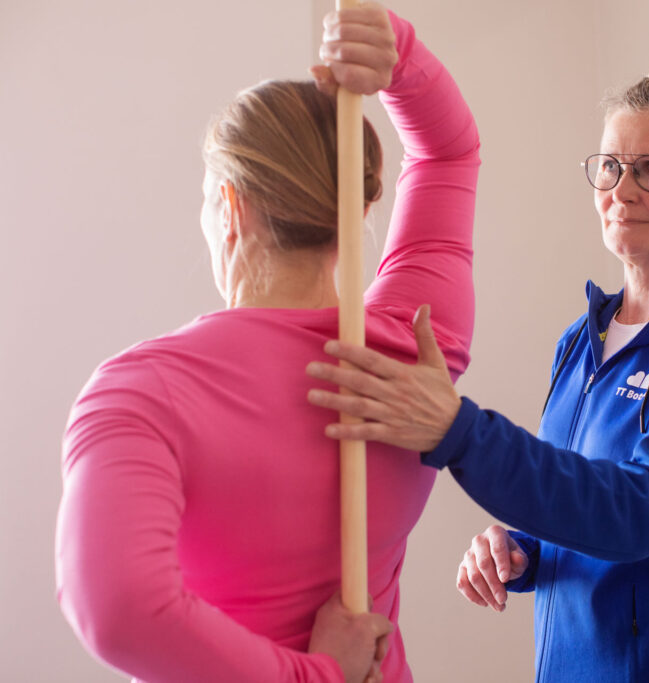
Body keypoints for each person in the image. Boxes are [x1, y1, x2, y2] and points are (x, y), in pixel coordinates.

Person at [308, 50, 649, 682]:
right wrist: (524, 549)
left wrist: (457, 432)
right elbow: (588, 499)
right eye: (610, 167)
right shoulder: (583, 338)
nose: (622, 191)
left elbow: (645, 511)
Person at [55, 6, 479, 683]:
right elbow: (447, 154)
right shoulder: (413, 349)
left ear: (231, 208)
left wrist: (316, 674)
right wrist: (396, 53)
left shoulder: (142, 391)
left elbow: (117, 612)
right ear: (356, 206)